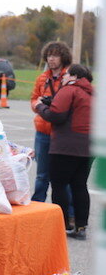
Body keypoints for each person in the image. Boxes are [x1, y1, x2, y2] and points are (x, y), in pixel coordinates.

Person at [35, 64, 93, 239]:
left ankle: (63, 224)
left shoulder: (69, 90)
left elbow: (56, 116)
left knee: (59, 185)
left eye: (66, 75)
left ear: (73, 76)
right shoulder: (92, 93)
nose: (64, 77)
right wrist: (51, 102)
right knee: (80, 185)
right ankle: (81, 225)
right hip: (88, 146)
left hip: (65, 146)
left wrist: (40, 107)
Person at [30, 42, 72, 204]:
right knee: (41, 175)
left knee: (62, 176)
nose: (51, 59)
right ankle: (38, 205)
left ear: (63, 57)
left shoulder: (69, 76)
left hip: (61, 133)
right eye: (49, 55)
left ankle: (66, 211)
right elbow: (34, 99)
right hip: (42, 131)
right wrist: (38, 104)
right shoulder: (42, 78)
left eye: (55, 55)